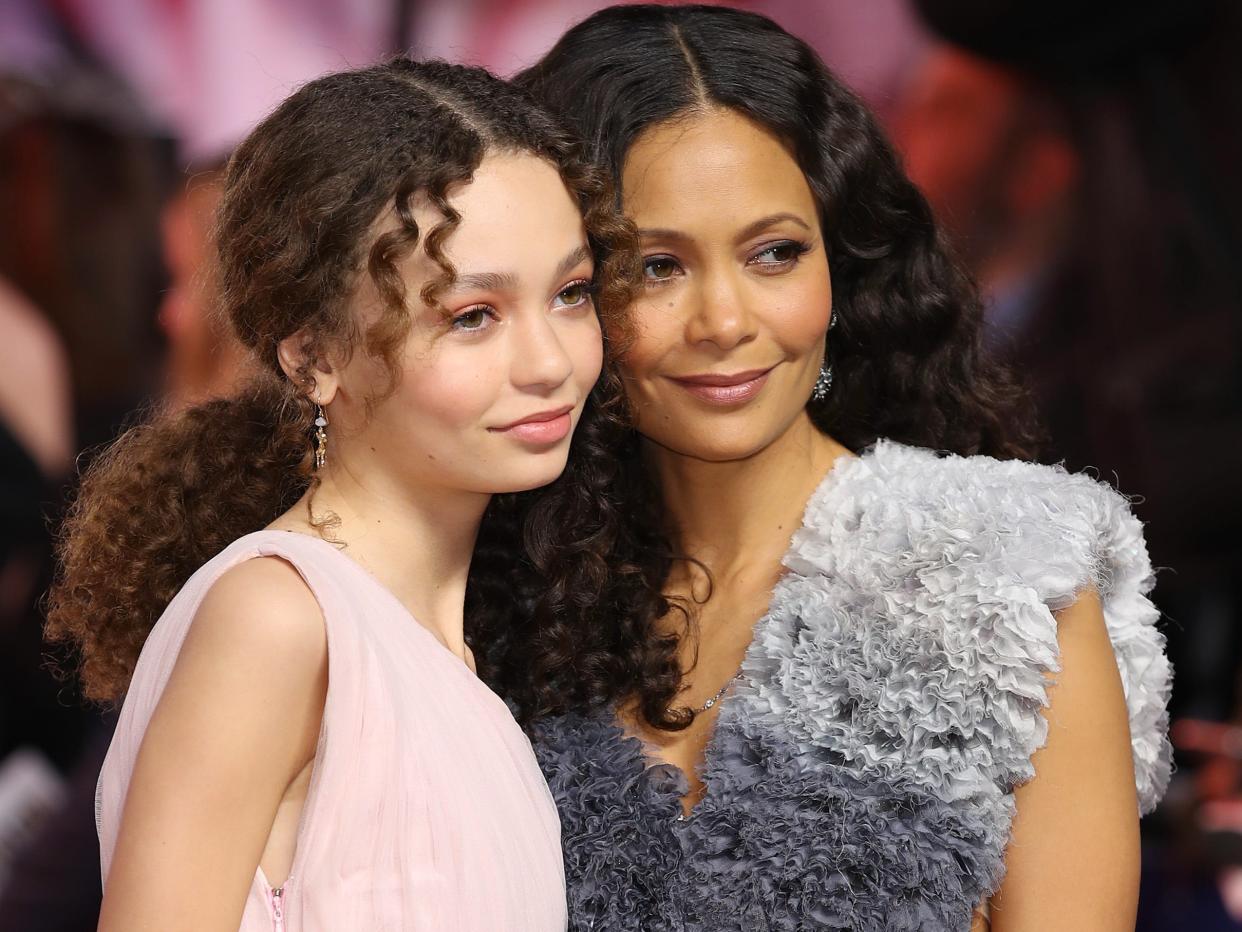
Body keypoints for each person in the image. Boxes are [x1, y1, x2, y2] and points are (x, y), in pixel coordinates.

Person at [506, 5, 1173, 930]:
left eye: (774, 253)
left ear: (841, 266)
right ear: (564, 293)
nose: (725, 321)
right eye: (656, 266)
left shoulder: (1009, 573)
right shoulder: (501, 608)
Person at [45, 57, 635, 930]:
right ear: (314, 357)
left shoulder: (437, 640)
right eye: (473, 315)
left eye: (571, 293)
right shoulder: (279, 622)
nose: (551, 363)